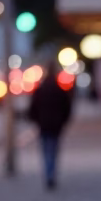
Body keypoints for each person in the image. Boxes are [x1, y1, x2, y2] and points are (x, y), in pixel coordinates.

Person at [27, 61, 73, 189]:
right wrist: (64, 121)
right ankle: (51, 174)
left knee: (46, 150)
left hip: (43, 125)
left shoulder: (40, 90)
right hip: (56, 126)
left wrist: (36, 120)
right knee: (53, 150)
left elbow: (32, 109)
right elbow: (67, 108)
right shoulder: (60, 90)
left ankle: (48, 174)